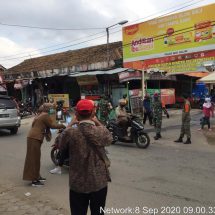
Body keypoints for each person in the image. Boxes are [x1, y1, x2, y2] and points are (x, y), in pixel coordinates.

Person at [58, 99, 113, 215]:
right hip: (98, 183)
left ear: (76, 114)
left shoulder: (70, 133)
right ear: (93, 113)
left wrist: (71, 124)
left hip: (78, 183)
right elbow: (109, 138)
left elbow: (60, 143)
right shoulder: (100, 131)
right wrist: (97, 122)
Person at [23, 103, 66, 187]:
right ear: (48, 108)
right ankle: (34, 180)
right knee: (33, 158)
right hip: (35, 137)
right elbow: (52, 125)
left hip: (33, 137)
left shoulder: (41, 114)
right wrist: (63, 125)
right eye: (51, 108)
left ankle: (37, 176)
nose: (52, 109)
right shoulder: (45, 115)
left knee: (36, 158)